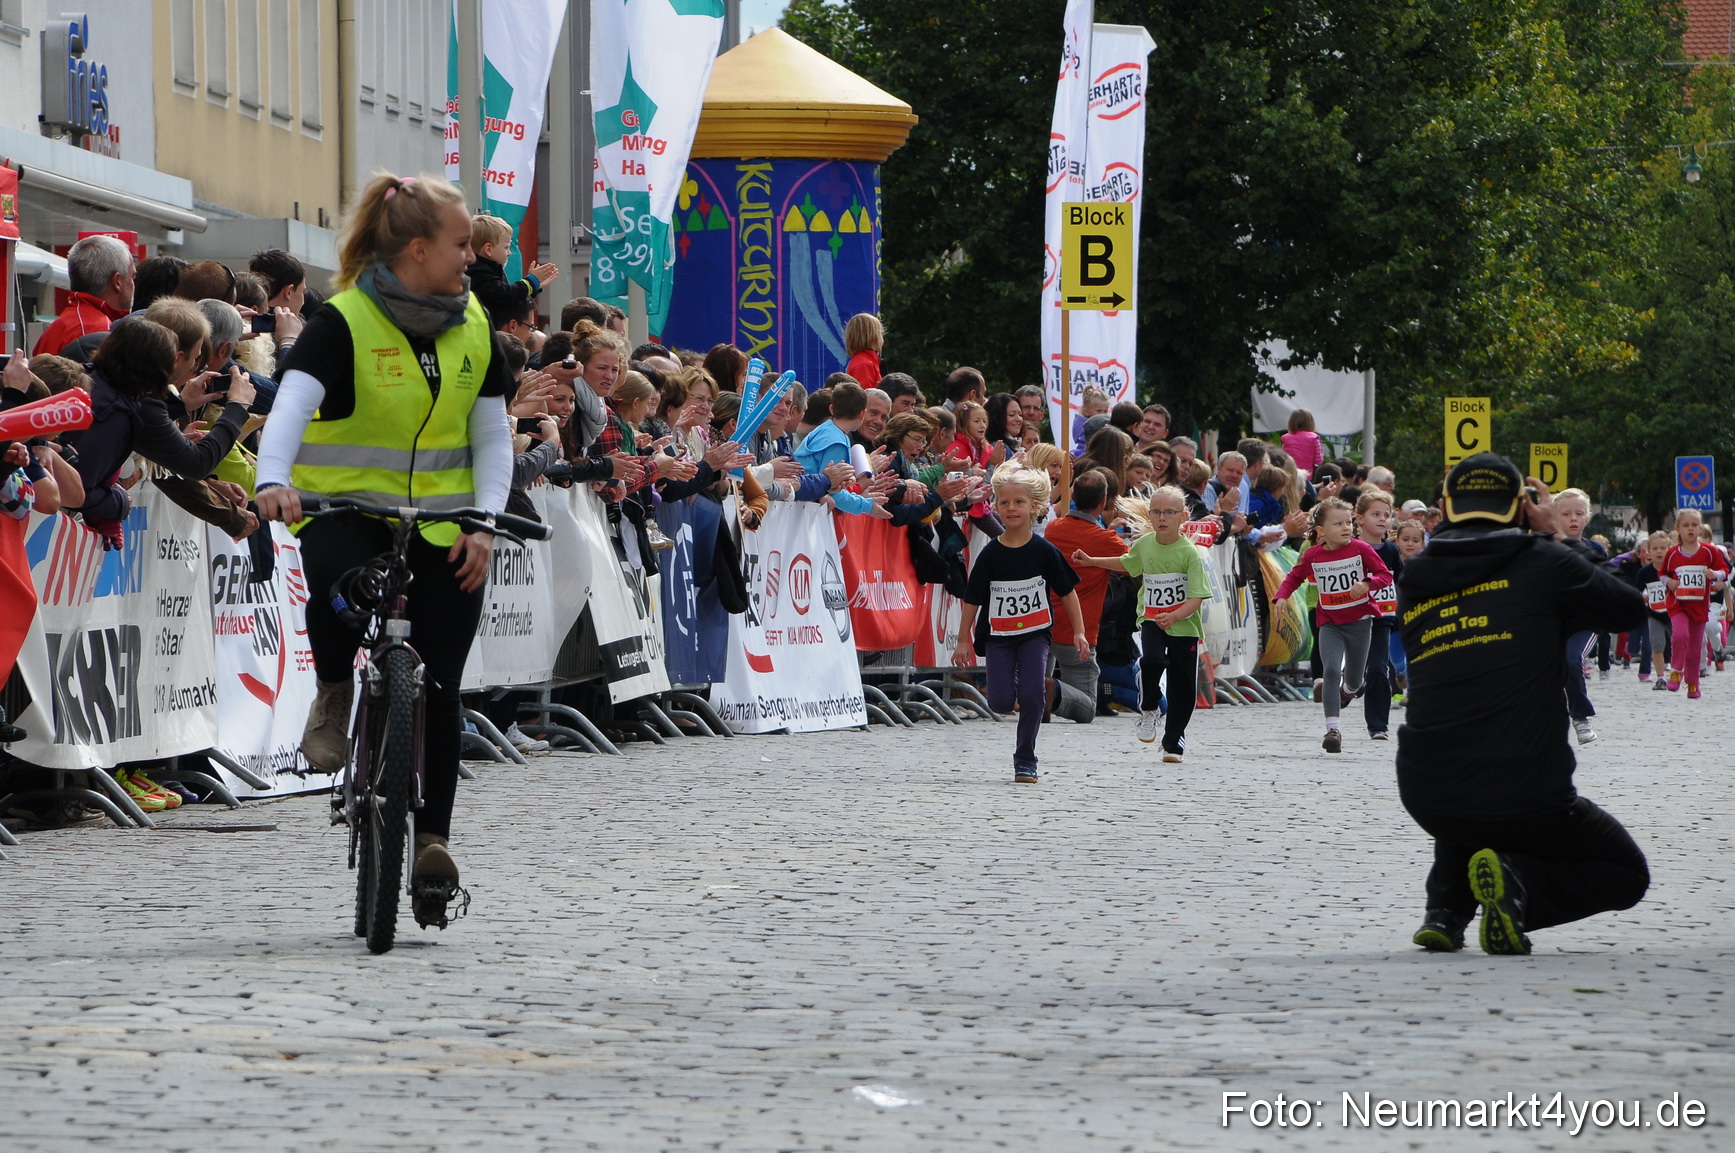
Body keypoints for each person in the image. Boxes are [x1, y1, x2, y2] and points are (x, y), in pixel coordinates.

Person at [255, 172, 515, 932]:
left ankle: (432, 844)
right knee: (337, 584)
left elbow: (492, 436)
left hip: (447, 522)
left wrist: (485, 523)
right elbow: (292, 403)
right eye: (462, 244)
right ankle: (335, 687)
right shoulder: (344, 320)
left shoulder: (475, 326)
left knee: (441, 684)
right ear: (418, 248)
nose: (472, 258)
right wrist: (272, 480)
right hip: (348, 509)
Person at [1396, 453, 1648, 955]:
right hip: (1529, 791)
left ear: (1446, 506)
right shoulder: (1545, 561)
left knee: (1465, 773)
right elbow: (1627, 608)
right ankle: (1520, 889)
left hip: (1427, 793)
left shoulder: (1416, 575)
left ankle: (1444, 911)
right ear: (1521, 506)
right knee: (1625, 872)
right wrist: (1557, 535)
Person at [955, 463, 1088, 783]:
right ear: (996, 507)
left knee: (1032, 695)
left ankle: (1025, 759)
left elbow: (1068, 592)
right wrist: (962, 640)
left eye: (1019, 502)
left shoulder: (1045, 551)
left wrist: (1080, 632)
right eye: (1004, 502)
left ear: (1035, 507)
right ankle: (1018, 684)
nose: (1011, 508)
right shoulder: (991, 554)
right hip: (998, 636)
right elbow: (972, 599)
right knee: (1000, 702)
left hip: (1035, 635)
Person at [1072, 485, 1210, 761]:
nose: (1162, 518)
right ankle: (1149, 708)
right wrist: (1091, 561)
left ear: (1182, 516)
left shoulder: (1190, 553)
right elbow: (1127, 563)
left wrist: (1175, 615)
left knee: (1183, 686)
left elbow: (1197, 597)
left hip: (1184, 625)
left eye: (1169, 512)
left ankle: (1174, 741)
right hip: (1151, 618)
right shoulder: (1145, 544)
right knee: (1152, 660)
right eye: (1156, 512)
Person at [1273, 496, 1392, 753]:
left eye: (1348, 522)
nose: (1346, 528)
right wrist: (1281, 596)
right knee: (1330, 671)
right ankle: (1333, 730)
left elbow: (1384, 575)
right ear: (1321, 531)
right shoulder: (1313, 555)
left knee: (1355, 680)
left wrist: (1367, 583)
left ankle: (1348, 691)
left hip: (1359, 622)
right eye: (1338, 524)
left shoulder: (1361, 549)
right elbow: (1294, 577)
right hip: (1330, 623)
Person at [1042, 469, 1125, 721]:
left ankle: (1040, 691)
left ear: (1073, 497)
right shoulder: (1105, 539)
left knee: (1040, 679)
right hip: (1078, 631)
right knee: (1087, 707)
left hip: (1045, 622)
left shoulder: (1053, 528)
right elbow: (1134, 565)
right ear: (1104, 500)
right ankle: (1053, 691)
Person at [1551, 488, 1607, 738]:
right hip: (1551, 623)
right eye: (1566, 514)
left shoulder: (1596, 551)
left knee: (1571, 661)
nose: (1573, 518)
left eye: (1579, 513)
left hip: (1584, 623)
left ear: (1587, 517)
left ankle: (1581, 717)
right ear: (1555, 517)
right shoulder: (1545, 547)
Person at [1658, 508, 1728, 698]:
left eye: (1694, 525)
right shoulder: (1673, 553)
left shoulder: (1709, 551)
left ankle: (1693, 683)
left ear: (1700, 528)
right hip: (1678, 604)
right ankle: (1676, 671)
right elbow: (1662, 574)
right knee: (1680, 635)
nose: (1690, 529)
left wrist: (1715, 575)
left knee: (1695, 647)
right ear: (1678, 529)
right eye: (1686, 525)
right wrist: (1669, 582)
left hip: (1699, 606)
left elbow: (1724, 570)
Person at [33, 235, 134, 357]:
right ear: (117, 281)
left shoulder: (61, 326)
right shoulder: (96, 330)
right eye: (132, 277)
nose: (134, 284)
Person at [1355, 490, 1401, 740]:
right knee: (1351, 673)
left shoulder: (1391, 551)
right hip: (1351, 620)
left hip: (1382, 619)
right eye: (1376, 514)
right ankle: (1346, 689)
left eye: (1387, 515)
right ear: (1360, 518)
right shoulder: (1349, 548)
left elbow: (1401, 581)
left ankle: (1378, 725)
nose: (1383, 519)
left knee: (1377, 668)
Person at [843, 313, 883, 389]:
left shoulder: (863, 361)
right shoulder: (865, 364)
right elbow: (865, 394)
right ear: (872, 336)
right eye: (880, 333)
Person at [1281, 409, 1324, 477]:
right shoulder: (1314, 438)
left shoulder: (1285, 438)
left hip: (1290, 475)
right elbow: (1318, 461)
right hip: (1306, 476)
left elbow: (1283, 457)